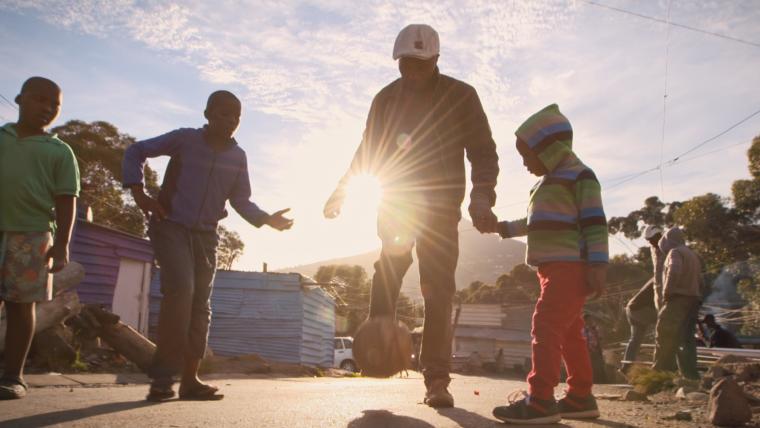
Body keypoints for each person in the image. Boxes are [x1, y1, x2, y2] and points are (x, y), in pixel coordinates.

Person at [323, 24, 499, 408]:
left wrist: (482, 195)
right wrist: (342, 191)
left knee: (439, 287)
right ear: (398, 61)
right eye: (406, 64)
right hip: (397, 202)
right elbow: (368, 150)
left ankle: (436, 379)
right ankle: (379, 346)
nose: (413, 71)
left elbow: (483, 151)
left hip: (440, 209)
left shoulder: (461, 96)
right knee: (388, 268)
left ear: (436, 60)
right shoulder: (385, 99)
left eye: (420, 64)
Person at [122, 90, 293, 402]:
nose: (230, 121)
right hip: (170, 226)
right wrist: (139, 194)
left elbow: (241, 200)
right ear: (207, 114)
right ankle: (162, 379)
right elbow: (135, 151)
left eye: (236, 116)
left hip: (206, 236)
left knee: (201, 304)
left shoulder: (237, 157)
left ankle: (190, 380)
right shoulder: (184, 139)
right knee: (182, 291)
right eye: (223, 114)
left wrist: (267, 219)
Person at [491, 104, 608, 424]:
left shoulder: (580, 176)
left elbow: (596, 222)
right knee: (570, 334)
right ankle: (580, 396)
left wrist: (598, 264)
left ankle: (540, 399)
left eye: (529, 156)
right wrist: (502, 228)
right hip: (551, 270)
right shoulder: (542, 185)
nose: (526, 163)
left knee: (545, 326)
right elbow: (534, 223)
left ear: (551, 149)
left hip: (570, 268)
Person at [0, 77, 79, 400]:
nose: (47, 108)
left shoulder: (59, 151)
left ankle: (12, 376)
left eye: (55, 105)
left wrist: (61, 245)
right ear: (19, 99)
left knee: (21, 307)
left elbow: (66, 199)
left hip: (33, 236)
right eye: (39, 99)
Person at [652, 227, 702, 380]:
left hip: (678, 299)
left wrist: (667, 292)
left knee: (665, 334)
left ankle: (660, 373)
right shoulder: (692, 254)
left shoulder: (675, 252)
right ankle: (690, 374)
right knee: (686, 338)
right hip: (693, 300)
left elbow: (674, 271)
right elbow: (701, 281)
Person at [621, 279, 657, 372]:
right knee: (667, 323)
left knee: (635, 340)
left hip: (632, 308)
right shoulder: (662, 276)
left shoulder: (655, 277)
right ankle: (661, 365)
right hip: (641, 309)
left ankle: (626, 366)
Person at [643, 225, 666, 311]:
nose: (650, 242)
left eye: (652, 239)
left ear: (659, 235)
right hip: (658, 283)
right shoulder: (652, 248)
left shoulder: (669, 245)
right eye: (648, 240)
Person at [582, 314, 607, 384]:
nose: (591, 321)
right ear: (585, 321)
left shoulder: (594, 329)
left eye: (591, 320)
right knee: (590, 367)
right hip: (588, 351)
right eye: (589, 320)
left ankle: (601, 381)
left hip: (596, 351)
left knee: (599, 366)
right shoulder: (583, 330)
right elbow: (584, 340)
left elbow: (599, 339)